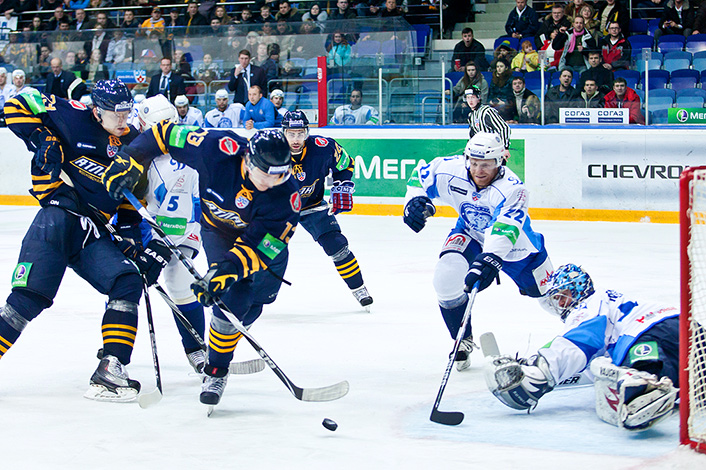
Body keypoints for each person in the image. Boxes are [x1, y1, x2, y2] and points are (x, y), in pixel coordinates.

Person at [101, 124, 301, 409]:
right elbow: (164, 134)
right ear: (248, 160)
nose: (272, 182)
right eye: (266, 174)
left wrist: (228, 270)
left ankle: (226, 335)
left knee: (254, 303)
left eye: (280, 175)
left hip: (257, 245)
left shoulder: (287, 197)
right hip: (218, 232)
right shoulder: (215, 149)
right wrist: (129, 159)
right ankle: (216, 370)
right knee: (232, 300)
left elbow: (264, 247)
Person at [0, 80, 171, 402]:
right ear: (96, 110)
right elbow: (17, 103)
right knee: (27, 300)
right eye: (116, 114)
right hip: (57, 218)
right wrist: (41, 137)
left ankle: (110, 368)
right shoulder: (71, 113)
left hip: (93, 229)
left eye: (127, 112)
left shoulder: (134, 143)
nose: (123, 120)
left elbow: (130, 200)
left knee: (127, 281)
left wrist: (130, 239)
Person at [403, 132, 553, 370]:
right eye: (473, 163)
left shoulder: (513, 189)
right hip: (470, 232)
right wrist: (414, 201)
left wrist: (489, 259)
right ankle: (462, 339)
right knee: (445, 277)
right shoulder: (449, 169)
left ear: (499, 162)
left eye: (486, 165)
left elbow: (504, 229)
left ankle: (583, 340)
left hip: (517, 248)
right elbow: (419, 176)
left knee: (551, 298)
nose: (478, 170)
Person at [485, 264, 679, 431]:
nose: (561, 303)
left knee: (641, 384)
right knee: (681, 379)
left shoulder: (589, 304)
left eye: (564, 295)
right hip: (681, 327)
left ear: (578, 288)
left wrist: (539, 371)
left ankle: (649, 388)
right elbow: (585, 366)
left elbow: (580, 341)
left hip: (651, 332)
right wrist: (529, 365)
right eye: (556, 299)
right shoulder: (605, 306)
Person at [134, 95, 207, 373]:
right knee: (126, 281)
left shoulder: (186, 159)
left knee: (180, 280)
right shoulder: (136, 152)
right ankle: (114, 348)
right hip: (145, 229)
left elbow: (191, 210)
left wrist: (162, 248)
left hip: (183, 231)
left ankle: (196, 348)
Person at [282, 111, 373, 309]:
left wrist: (342, 184)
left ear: (307, 132)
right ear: (283, 133)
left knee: (337, 245)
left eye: (300, 133)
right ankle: (247, 294)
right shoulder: (269, 151)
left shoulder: (323, 148)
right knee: (264, 250)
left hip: (312, 205)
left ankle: (359, 288)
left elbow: (346, 164)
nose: (296, 139)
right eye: (291, 134)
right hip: (278, 211)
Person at [464, 86, 510, 160]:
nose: (470, 100)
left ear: (478, 98)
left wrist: (505, 148)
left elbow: (503, 128)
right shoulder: (471, 115)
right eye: (468, 98)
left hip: (493, 151)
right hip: (480, 151)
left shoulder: (487, 111)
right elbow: (473, 135)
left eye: (473, 97)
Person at [488, 58, 516, 122]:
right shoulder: (494, 79)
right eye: (497, 67)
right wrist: (491, 101)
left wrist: (504, 102)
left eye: (501, 66)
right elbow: (491, 93)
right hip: (495, 103)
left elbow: (511, 95)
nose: (499, 68)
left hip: (507, 104)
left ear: (506, 68)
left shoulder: (511, 79)